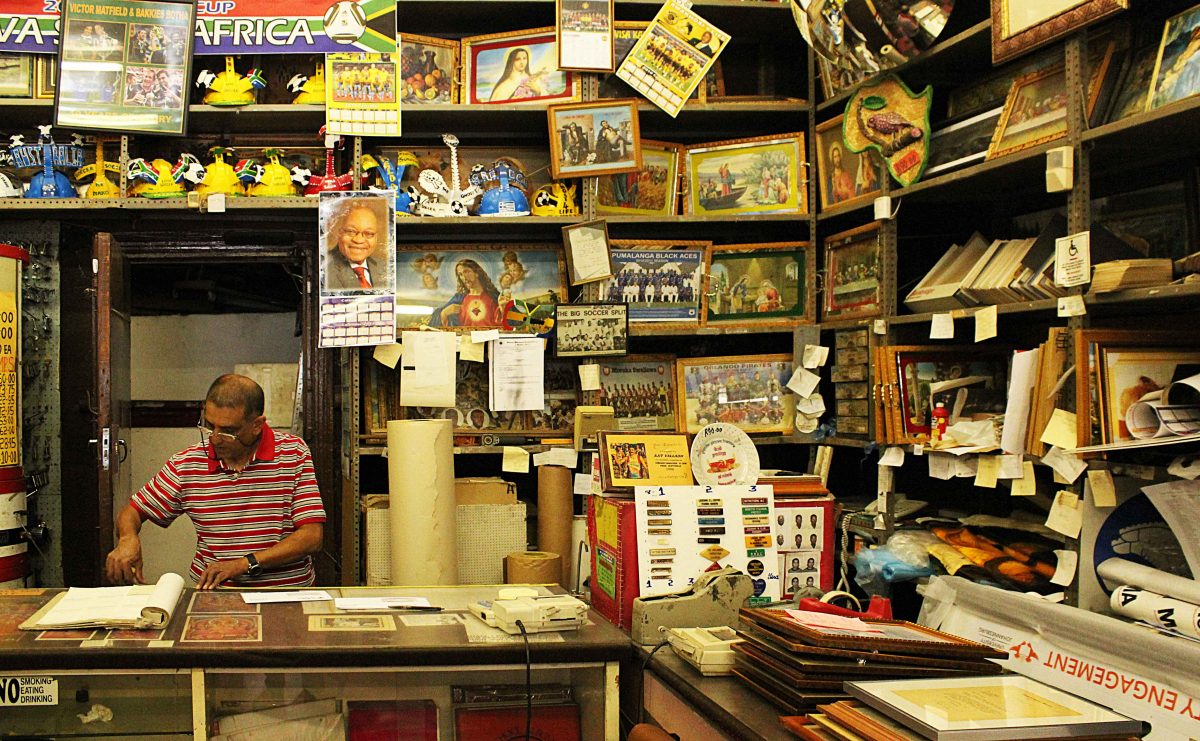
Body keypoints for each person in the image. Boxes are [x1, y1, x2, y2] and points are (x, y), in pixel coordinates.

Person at [104, 375, 325, 589]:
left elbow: (312, 536)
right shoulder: (188, 463)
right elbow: (133, 511)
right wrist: (127, 538)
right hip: (217, 591)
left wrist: (244, 564)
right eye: (209, 426)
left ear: (257, 425)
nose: (215, 438)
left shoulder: (292, 452)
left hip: (286, 591)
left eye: (228, 431)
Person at [323, 199, 389, 291]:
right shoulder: (323, 268)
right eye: (351, 231)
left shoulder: (386, 268)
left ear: (376, 238)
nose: (359, 240)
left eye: (368, 233)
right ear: (339, 233)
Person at [432, 259, 501, 326]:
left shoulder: (494, 297)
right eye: (460, 274)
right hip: (464, 334)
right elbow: (437, 319)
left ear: (477, 273)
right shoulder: (459, 298)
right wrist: (444, 313)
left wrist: (503, 308)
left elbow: (504, 322)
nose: (464, 277)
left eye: (466, 272)